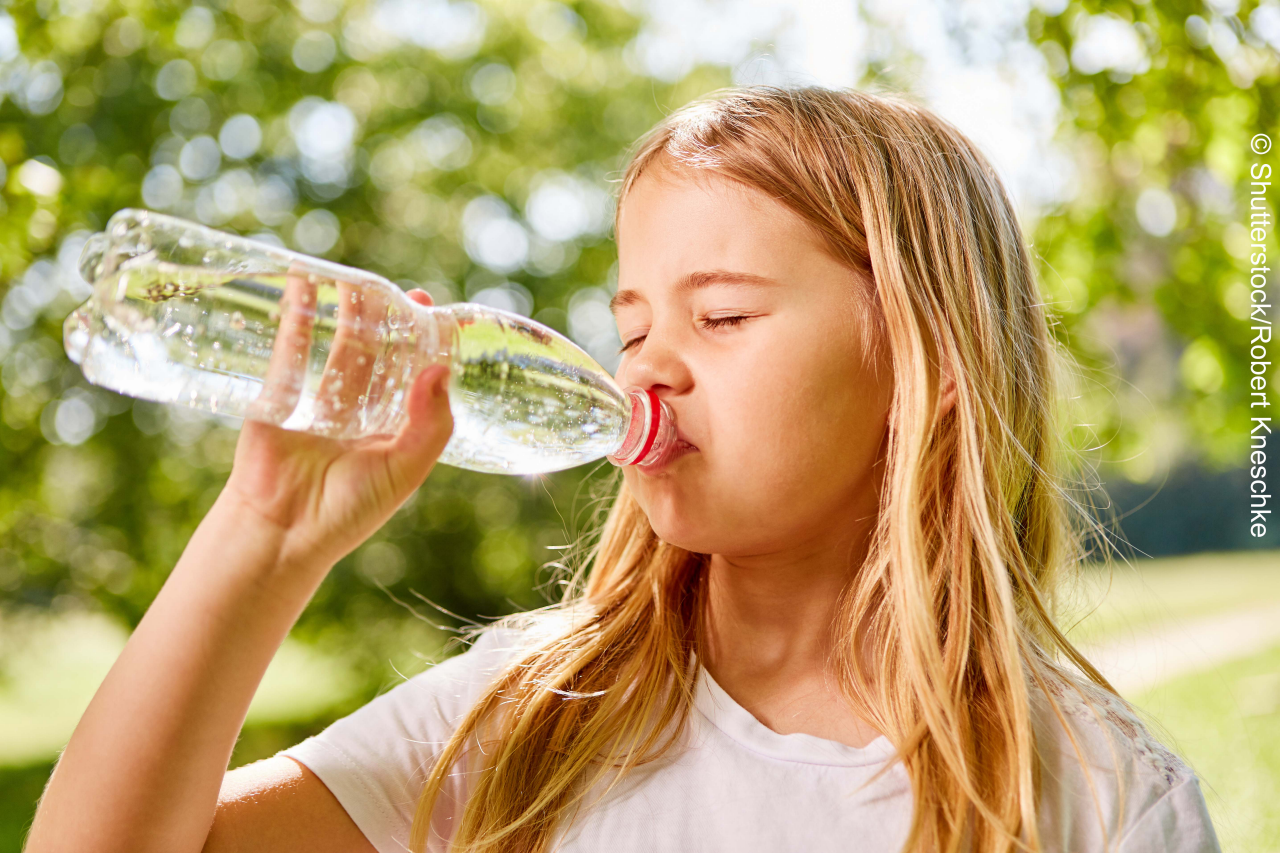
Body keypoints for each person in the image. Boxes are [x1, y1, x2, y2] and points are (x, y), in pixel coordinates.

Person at [26, 86, 1221, 853]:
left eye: (721, 317)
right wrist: (261, 533)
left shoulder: (1100, 800)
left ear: (923, 362)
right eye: (633, 323)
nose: (647, 371)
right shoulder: (528, 719)